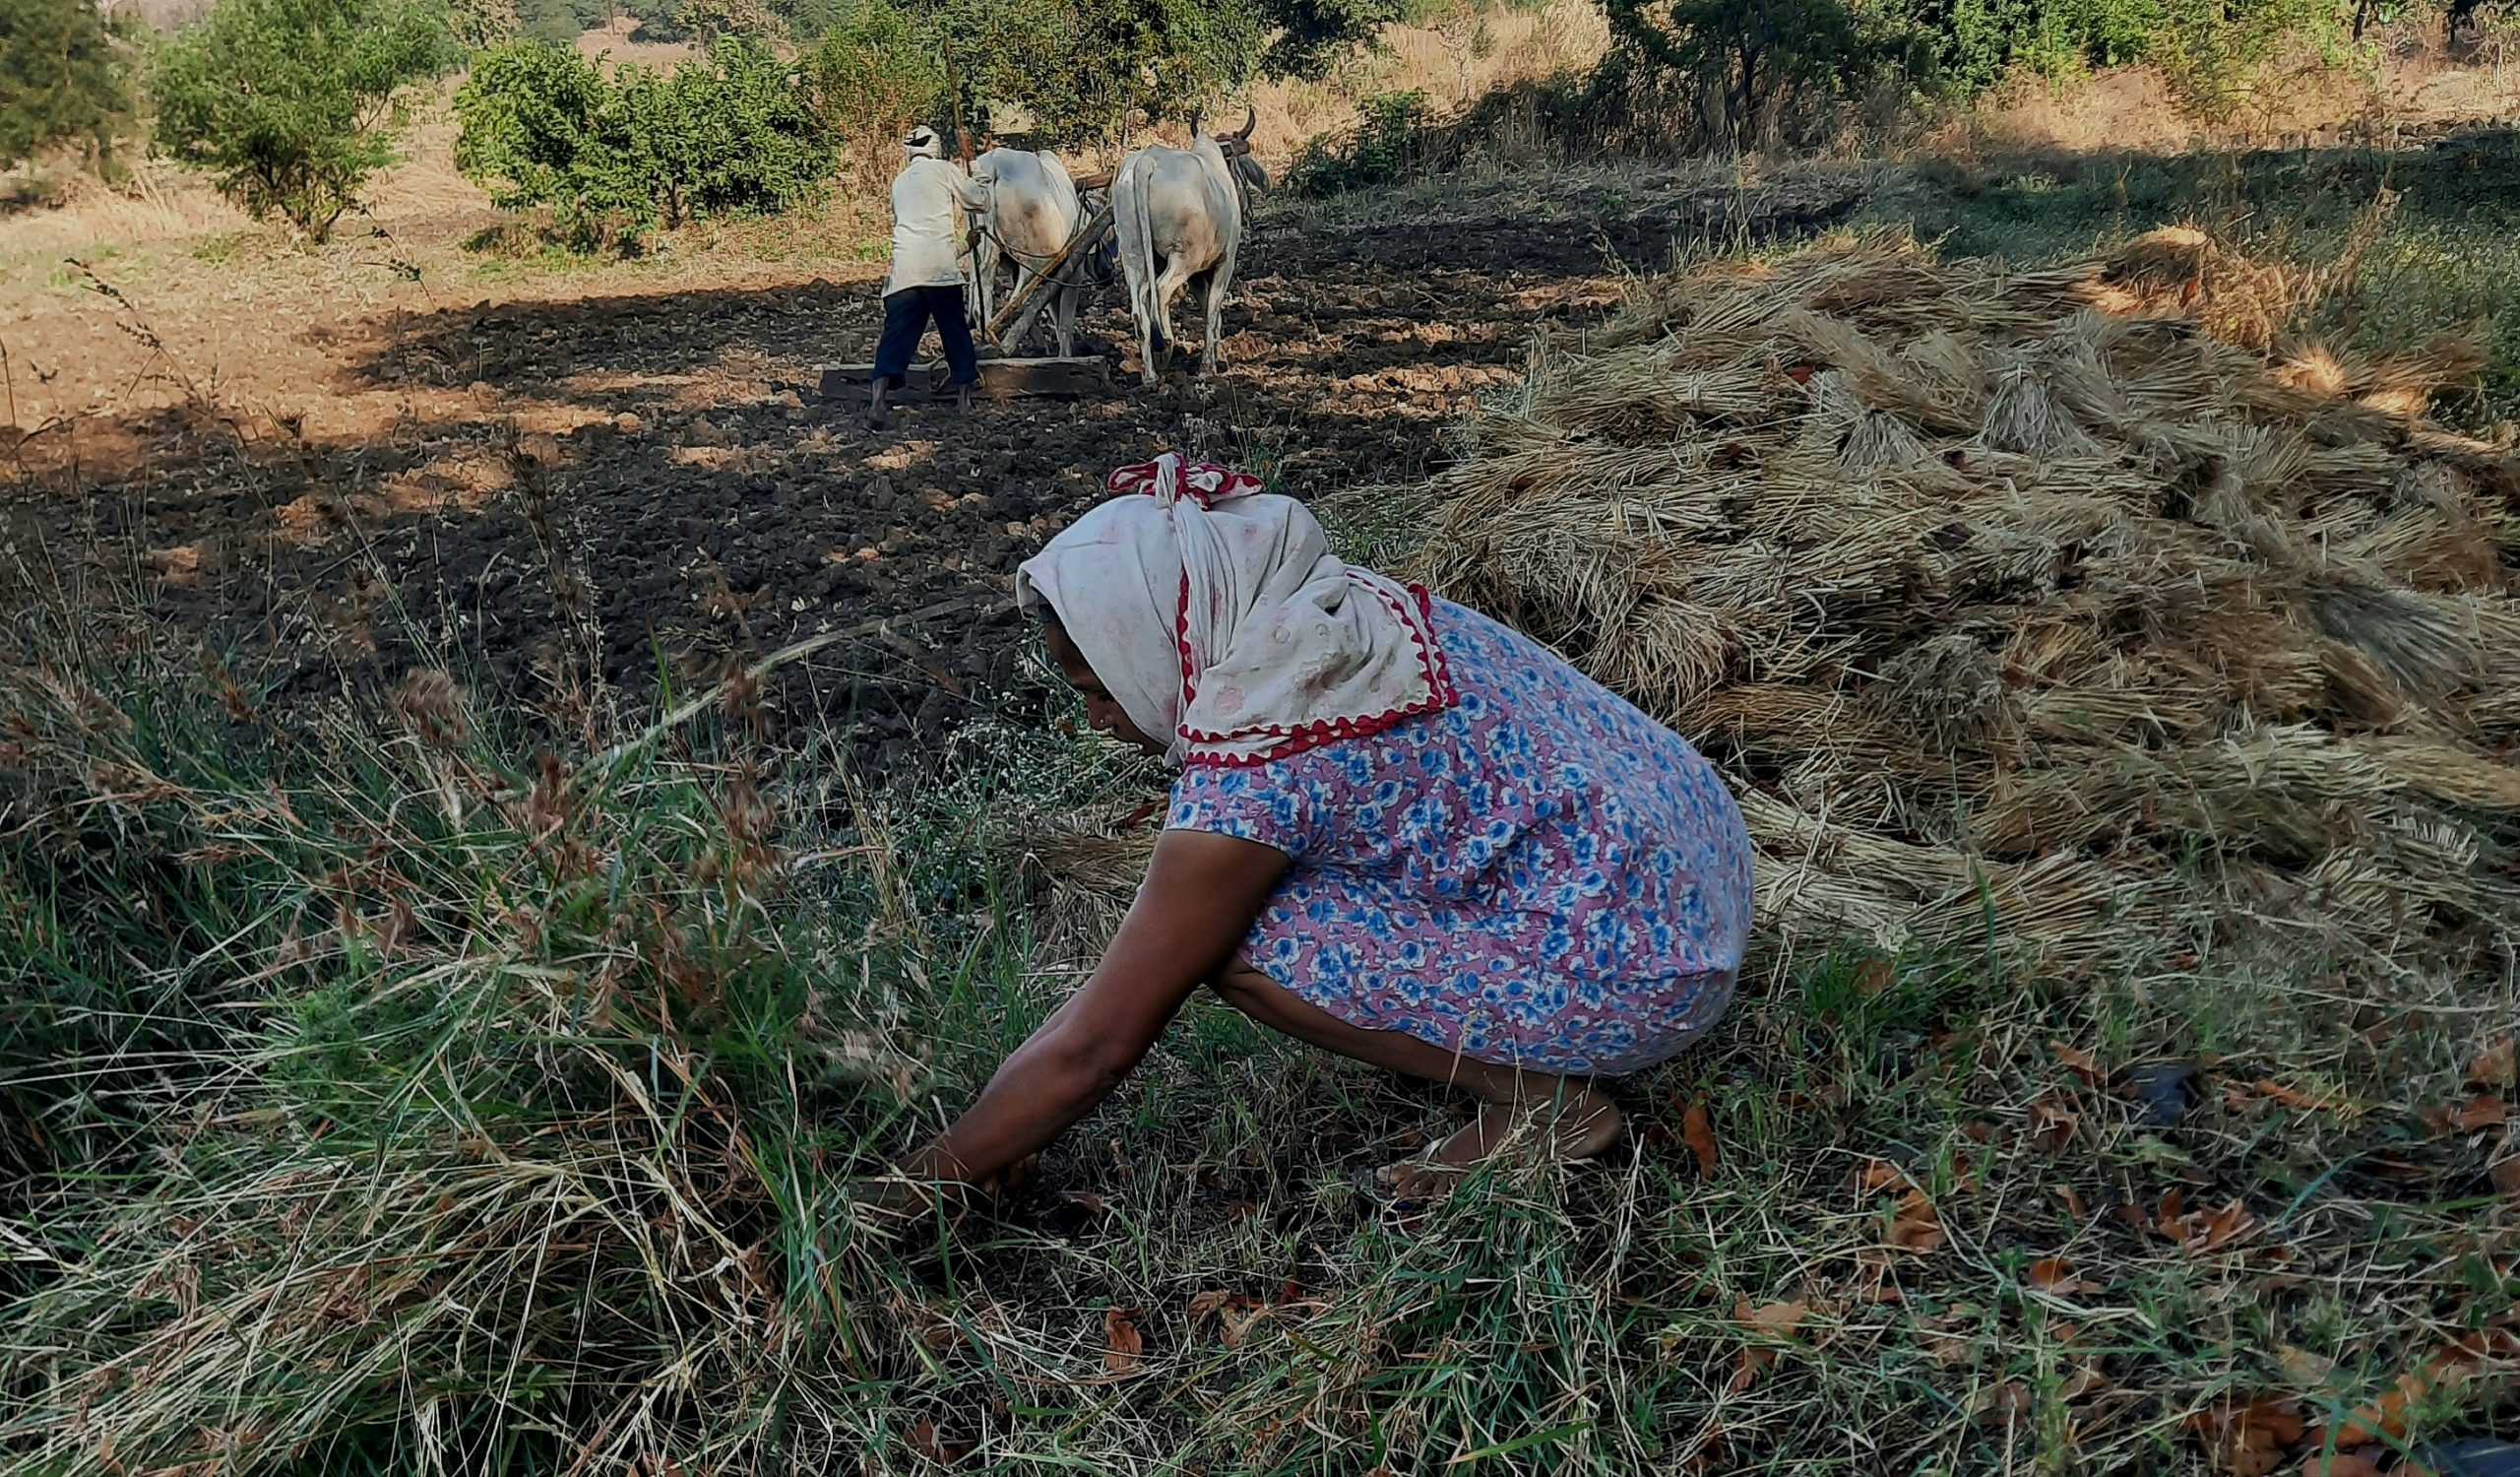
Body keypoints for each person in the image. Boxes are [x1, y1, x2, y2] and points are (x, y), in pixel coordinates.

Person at [870, 453, 1754, 1214]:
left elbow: (1100, 1042)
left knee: (1239, 942)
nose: (1097, 721)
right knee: (1220, 908)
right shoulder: (1313, 607)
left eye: (1099, 690)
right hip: (1692, 855)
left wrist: (916, 1183)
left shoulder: (1259, 760)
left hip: (1646, 968)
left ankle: (1548, 1106)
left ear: (1159, 643)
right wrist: (998, 1128)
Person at [865, 126, 990, 429]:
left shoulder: (899, 183)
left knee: (894, 340)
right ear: (935, 148)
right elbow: (981, 199)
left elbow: (917, 230)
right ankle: (963, 401)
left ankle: (877, 401)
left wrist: (964, 245)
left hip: (905, 274)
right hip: (940, 273)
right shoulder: (945, 170)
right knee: (955, 334)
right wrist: (971, 158)